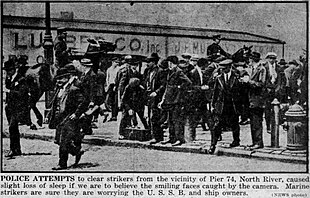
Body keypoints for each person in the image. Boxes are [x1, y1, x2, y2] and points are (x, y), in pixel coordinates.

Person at [49, 66, 88, 170]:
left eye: (61, 79)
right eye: (57, 79)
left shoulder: (73, 89)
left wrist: (76, 114)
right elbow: (55, 104)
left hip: (69, 119)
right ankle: (76, 151)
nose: (58, 81)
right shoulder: (59, 89)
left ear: (67, 78)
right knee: (58, 141)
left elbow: (84, 102)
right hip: (59, 119)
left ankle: (62, 164)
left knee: (63, 142)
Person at [208, 59, 242, 154]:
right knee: (217, 125)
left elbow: (241, 93)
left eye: (224, 68)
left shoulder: (236, 77)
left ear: (229, 67)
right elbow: (215, 92)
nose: (222, 70)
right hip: (221, 105)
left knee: (235, 124)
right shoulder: (219, 78)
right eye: (221, 68)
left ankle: (236, 141)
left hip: (233, 105)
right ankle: (213, 144)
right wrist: (212, 105)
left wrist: (241, 107)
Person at [159, 56, 192, 146]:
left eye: (170, 63)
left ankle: (179, 139)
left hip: (177, 100)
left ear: (173, 63)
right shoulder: (170, 71)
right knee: (170, 120)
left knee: (177, 120)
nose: (169, 64)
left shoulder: (178, 71)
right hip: (170, 100)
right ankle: (171, 138)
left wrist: (179, 88)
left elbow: (188, 82)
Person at [3, 59, 29, 157]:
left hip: (18, 108)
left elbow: (22, 94)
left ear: (14, 69)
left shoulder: (21, 79)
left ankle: (13, 149)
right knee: (13, 129)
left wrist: (9, 91)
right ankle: (16, 149)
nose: (8, 72)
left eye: (9, 70)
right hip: (9, 107)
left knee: (12, 127)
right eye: (6, 70)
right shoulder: (8, 79)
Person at [243, 52, 267, 150]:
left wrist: (248, 81)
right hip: (252, 99)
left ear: (252, 60)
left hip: (258, 99)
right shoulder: (253, 69)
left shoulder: (261, 69)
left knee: (257, 121)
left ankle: (259, 142)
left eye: (249, 59)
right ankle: (255, 142)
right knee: (253, 122)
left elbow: (261, 84)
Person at [143, 53, 167, 144]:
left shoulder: (160, 71)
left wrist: (156, 92)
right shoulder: (147, 71)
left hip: (156, 97)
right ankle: (153, 135)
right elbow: (145, 81)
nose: (147, 64)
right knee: (149, 117)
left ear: (154, 62)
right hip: (149, 96)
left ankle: (157, 137)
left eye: (149, 62)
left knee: (155, 117)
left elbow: (163, 85)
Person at [187, 55, 211, 142]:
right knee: (195, 118)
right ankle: (191, 137)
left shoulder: (200, 72)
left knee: (206, 116)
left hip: (201, 99)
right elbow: (191, 86)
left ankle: (215, 135)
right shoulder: (193, 72)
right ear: (203, 65)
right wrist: (201, 88)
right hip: (196, 99)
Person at [262, 52, 281, 134]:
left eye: (273, 58)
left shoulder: (278, 68)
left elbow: (281, 80)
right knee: (267, 109)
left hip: (276, 90)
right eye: (270, 58)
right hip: (267, 91)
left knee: (277, 108)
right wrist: (267, 87)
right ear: (267, 58)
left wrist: (278, 88)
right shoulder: (264, 67)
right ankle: (268, 126)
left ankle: (276, 124)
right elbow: (263, 79)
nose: (272, 60)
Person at [105, 56, 121, 121]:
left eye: (117, 62)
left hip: (115, 86)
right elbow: (107, 78)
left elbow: (118, 79)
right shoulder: (109, 69)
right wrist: (107, 86)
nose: (117, 63)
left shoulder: (118, 69)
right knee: (108, 100)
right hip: (110, 86)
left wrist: (116, 86)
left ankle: (114, 116)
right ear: (112, 62)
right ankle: (111, 114)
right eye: (115, 62)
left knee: (115, 101)